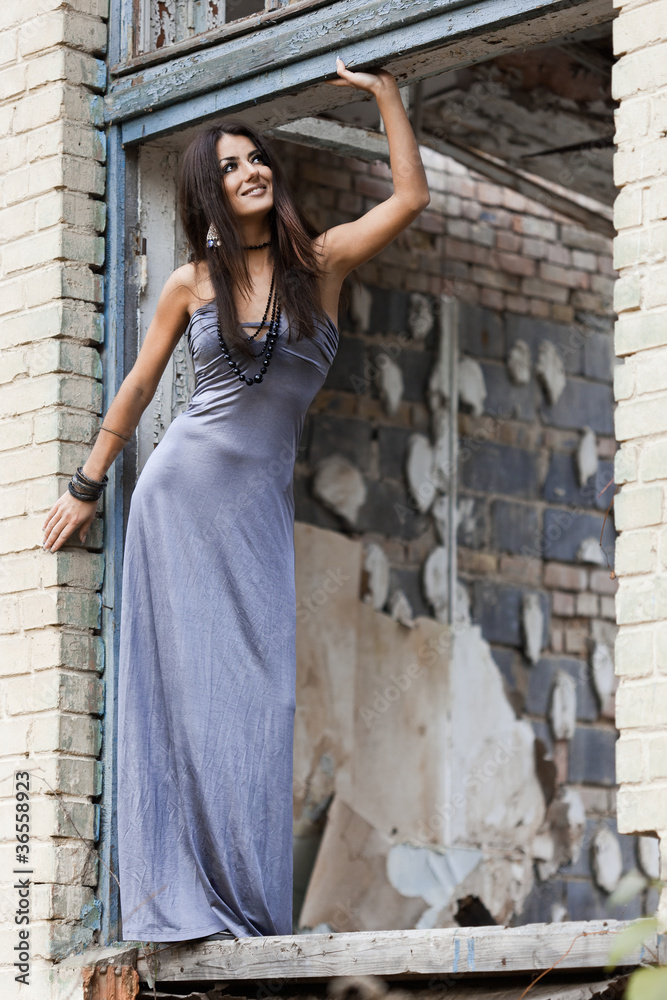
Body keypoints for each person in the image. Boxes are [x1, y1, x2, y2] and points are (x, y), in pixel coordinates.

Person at [41, 59, 430, 945]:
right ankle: (180, 905)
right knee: (182, 692)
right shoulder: (192, 281)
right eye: (229, 166)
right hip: (180, 495)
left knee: (259, 700)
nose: (249, 171)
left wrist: (382, 96)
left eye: (256, 159)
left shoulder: (319, 261)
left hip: (254, 509)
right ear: (209, 192)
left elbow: (408, 200)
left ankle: (245, 908)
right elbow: (140, 389)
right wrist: (86, 486)